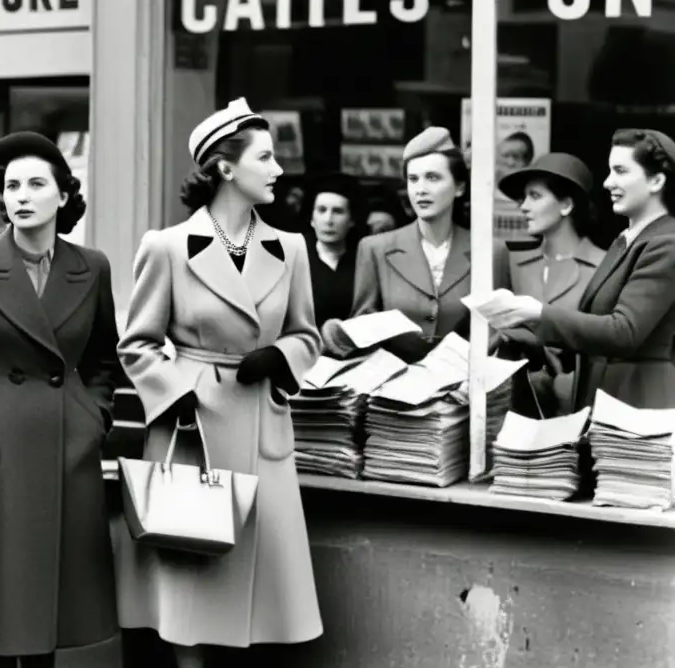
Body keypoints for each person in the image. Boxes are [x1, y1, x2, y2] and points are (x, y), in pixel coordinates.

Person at [115, 98, 323, 668]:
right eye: (265, 157)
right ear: (226, 168)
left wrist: (281, 356)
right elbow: (135, 344)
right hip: (193, 430)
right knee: (194, 599)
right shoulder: (168, 246)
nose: (278, 169)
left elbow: (309, 334)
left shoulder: (292, 248)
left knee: (258, 601)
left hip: (263, 430)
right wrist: (181, 391)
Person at [0, 131, 122, 668]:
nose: (22, 196)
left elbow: (105, 358)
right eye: (12, 185)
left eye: (37, 184)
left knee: (50, 600)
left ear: (63, 195)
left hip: (66, 448)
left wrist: (93, 417)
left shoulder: (93, 266)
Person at [484, 128, 675, 412]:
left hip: (637, 409)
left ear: (657, 180)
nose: (609, 182)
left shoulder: (666, 242)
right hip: (610, 405)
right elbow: (592, 325)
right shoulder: (628, 239)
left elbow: (624, 332)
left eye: (621, 171)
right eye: (610, 171)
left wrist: (538, 313)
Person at [322, 126, 508, 362]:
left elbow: (497, 332)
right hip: (392, 387)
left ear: (460, 187)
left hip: (463, 387)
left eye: (433, 177)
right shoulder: (375, 249)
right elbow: (364, 329)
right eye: (413, 179)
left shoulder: (491, 252)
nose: (421, 189)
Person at [495, 152, 605, 417]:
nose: (523, 206)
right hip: (517, 409)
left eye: (535, 196)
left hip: (580, 410)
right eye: (523, 197)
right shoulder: (511, 263)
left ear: (566, 205)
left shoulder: (604, 266)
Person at [306, 174, 361, 326]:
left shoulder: (363, 260)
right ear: (312, 219)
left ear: (351, 220)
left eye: (338, 211)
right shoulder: (296, 259)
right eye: (321, 210)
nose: (328, 220)